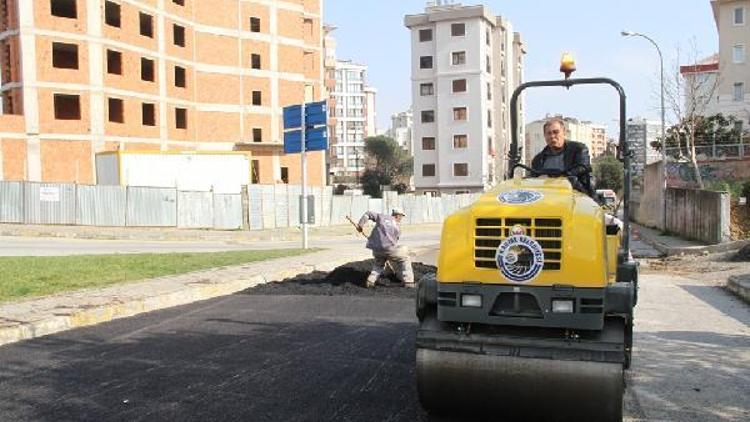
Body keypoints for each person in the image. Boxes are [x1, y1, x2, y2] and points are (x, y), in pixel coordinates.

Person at [531, 117, 594, 196]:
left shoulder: (579, 149)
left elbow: (581, 169)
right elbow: (533, 180)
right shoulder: (538, 160)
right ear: (545, 136)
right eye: (549, 133)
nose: (552, 136)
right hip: (546, 199)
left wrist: (555, 177)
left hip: (577, 196)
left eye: (556, 132)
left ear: (564, 133)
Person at [356, 208, 415, 288]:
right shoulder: (397, 228)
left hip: (376, 249)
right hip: (389, 249)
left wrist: (360, 225)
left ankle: (370, 281)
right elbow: (394, 243)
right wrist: (389, 256)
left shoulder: (382, 217)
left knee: (379, 264)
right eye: (401, 216)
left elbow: (368, 214)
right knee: (405, 258)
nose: (401, 218)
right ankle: (409, 282)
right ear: (398, 215)